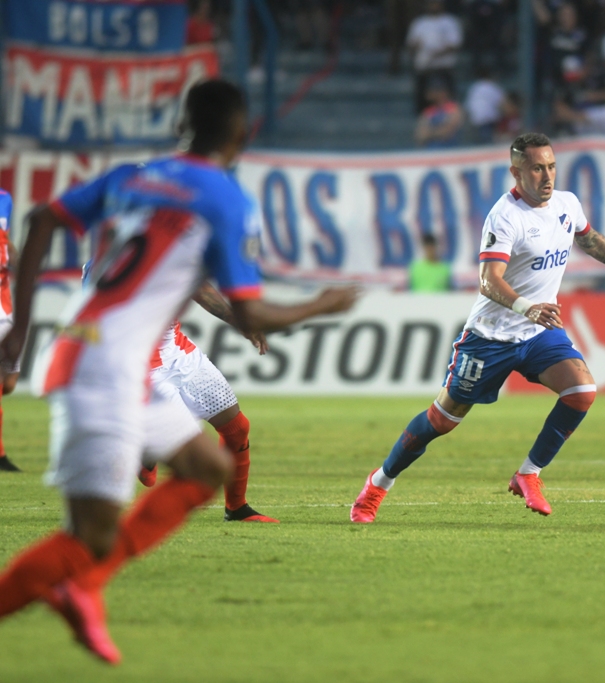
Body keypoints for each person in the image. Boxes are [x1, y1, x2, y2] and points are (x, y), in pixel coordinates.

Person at [0, 78, 359, 664]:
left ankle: (86, 587)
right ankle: (80, 581)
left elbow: (41, 220)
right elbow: (250, 309)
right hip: (105, 370)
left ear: (181, 126)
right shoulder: (225, 197)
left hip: (94, 354)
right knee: (87, 539)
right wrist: (321, 304)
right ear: (240, 134)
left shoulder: (129, 178)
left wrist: (19, 329)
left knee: (207, 466)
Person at [350, 132, 605, 523]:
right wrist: (527, 308)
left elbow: (590, 240)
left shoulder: (567, 203)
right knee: (442, 420)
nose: (547, 176)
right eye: (537, 168)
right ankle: (377, 484)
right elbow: (488, 280)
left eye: (551, 166)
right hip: (491, 337)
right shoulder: (505, 216)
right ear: (516, 172)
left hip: (538, 332)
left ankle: (528, 474)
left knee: (582, 391)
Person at [132, 281, 277, 523]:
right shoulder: (101, 268)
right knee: (194, 457)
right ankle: (146, 454)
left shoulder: (162, 257)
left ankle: (237, 508)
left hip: (179, 352)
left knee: (237, 427)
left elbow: (198, 287)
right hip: (143, 366)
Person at [406, 0, 463, 113]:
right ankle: (422, 116)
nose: (433, 6)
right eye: (431, 3)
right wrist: (415, 46)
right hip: (424, 66)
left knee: (448, 97)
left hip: (444, 66)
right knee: (422, 98)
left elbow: (455, 44)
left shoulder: (449, 21)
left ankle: (451, 117)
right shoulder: (420, 22)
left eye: (436, 3)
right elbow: (410, 44)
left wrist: (436, 54)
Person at [0, 188, 21, 473]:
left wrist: (15, 256)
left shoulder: (4, 199)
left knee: (10, 383)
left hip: (6, 304)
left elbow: (6, 242)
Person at [464, 66, 507, 144]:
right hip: (487, 122)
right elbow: (503, 104)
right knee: (487, 144)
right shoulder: (492, 87)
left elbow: (467, 106)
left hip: (475, 122)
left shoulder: (474, 87)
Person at [414, 82, 464, 147]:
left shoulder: (453, 108)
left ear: (443, 92)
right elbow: (420, 135)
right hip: (431, 150)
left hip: (450, 149)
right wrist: (438, 131)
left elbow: (447, 131)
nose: (429, 93)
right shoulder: (429, 111)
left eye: (433, 90)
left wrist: (429, 133)